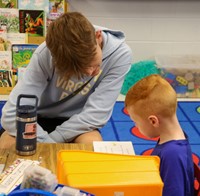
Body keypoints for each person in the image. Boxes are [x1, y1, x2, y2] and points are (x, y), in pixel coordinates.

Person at [0, 12, 132, 148]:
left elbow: (96, 114)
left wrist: (50, 143)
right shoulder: (45, 54)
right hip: (36, 118)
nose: (90, 72)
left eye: (92, 62)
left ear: (97, 37)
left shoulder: (120, 55)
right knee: (7, 145)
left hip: (78, 122)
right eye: (79, 69)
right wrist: (46, 143)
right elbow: (11, 114)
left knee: (92, 145)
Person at [125, 74, 194, 196]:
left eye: (135, 122)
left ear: (153, 121)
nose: (135, 126)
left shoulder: (173, 154)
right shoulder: (171, 140)